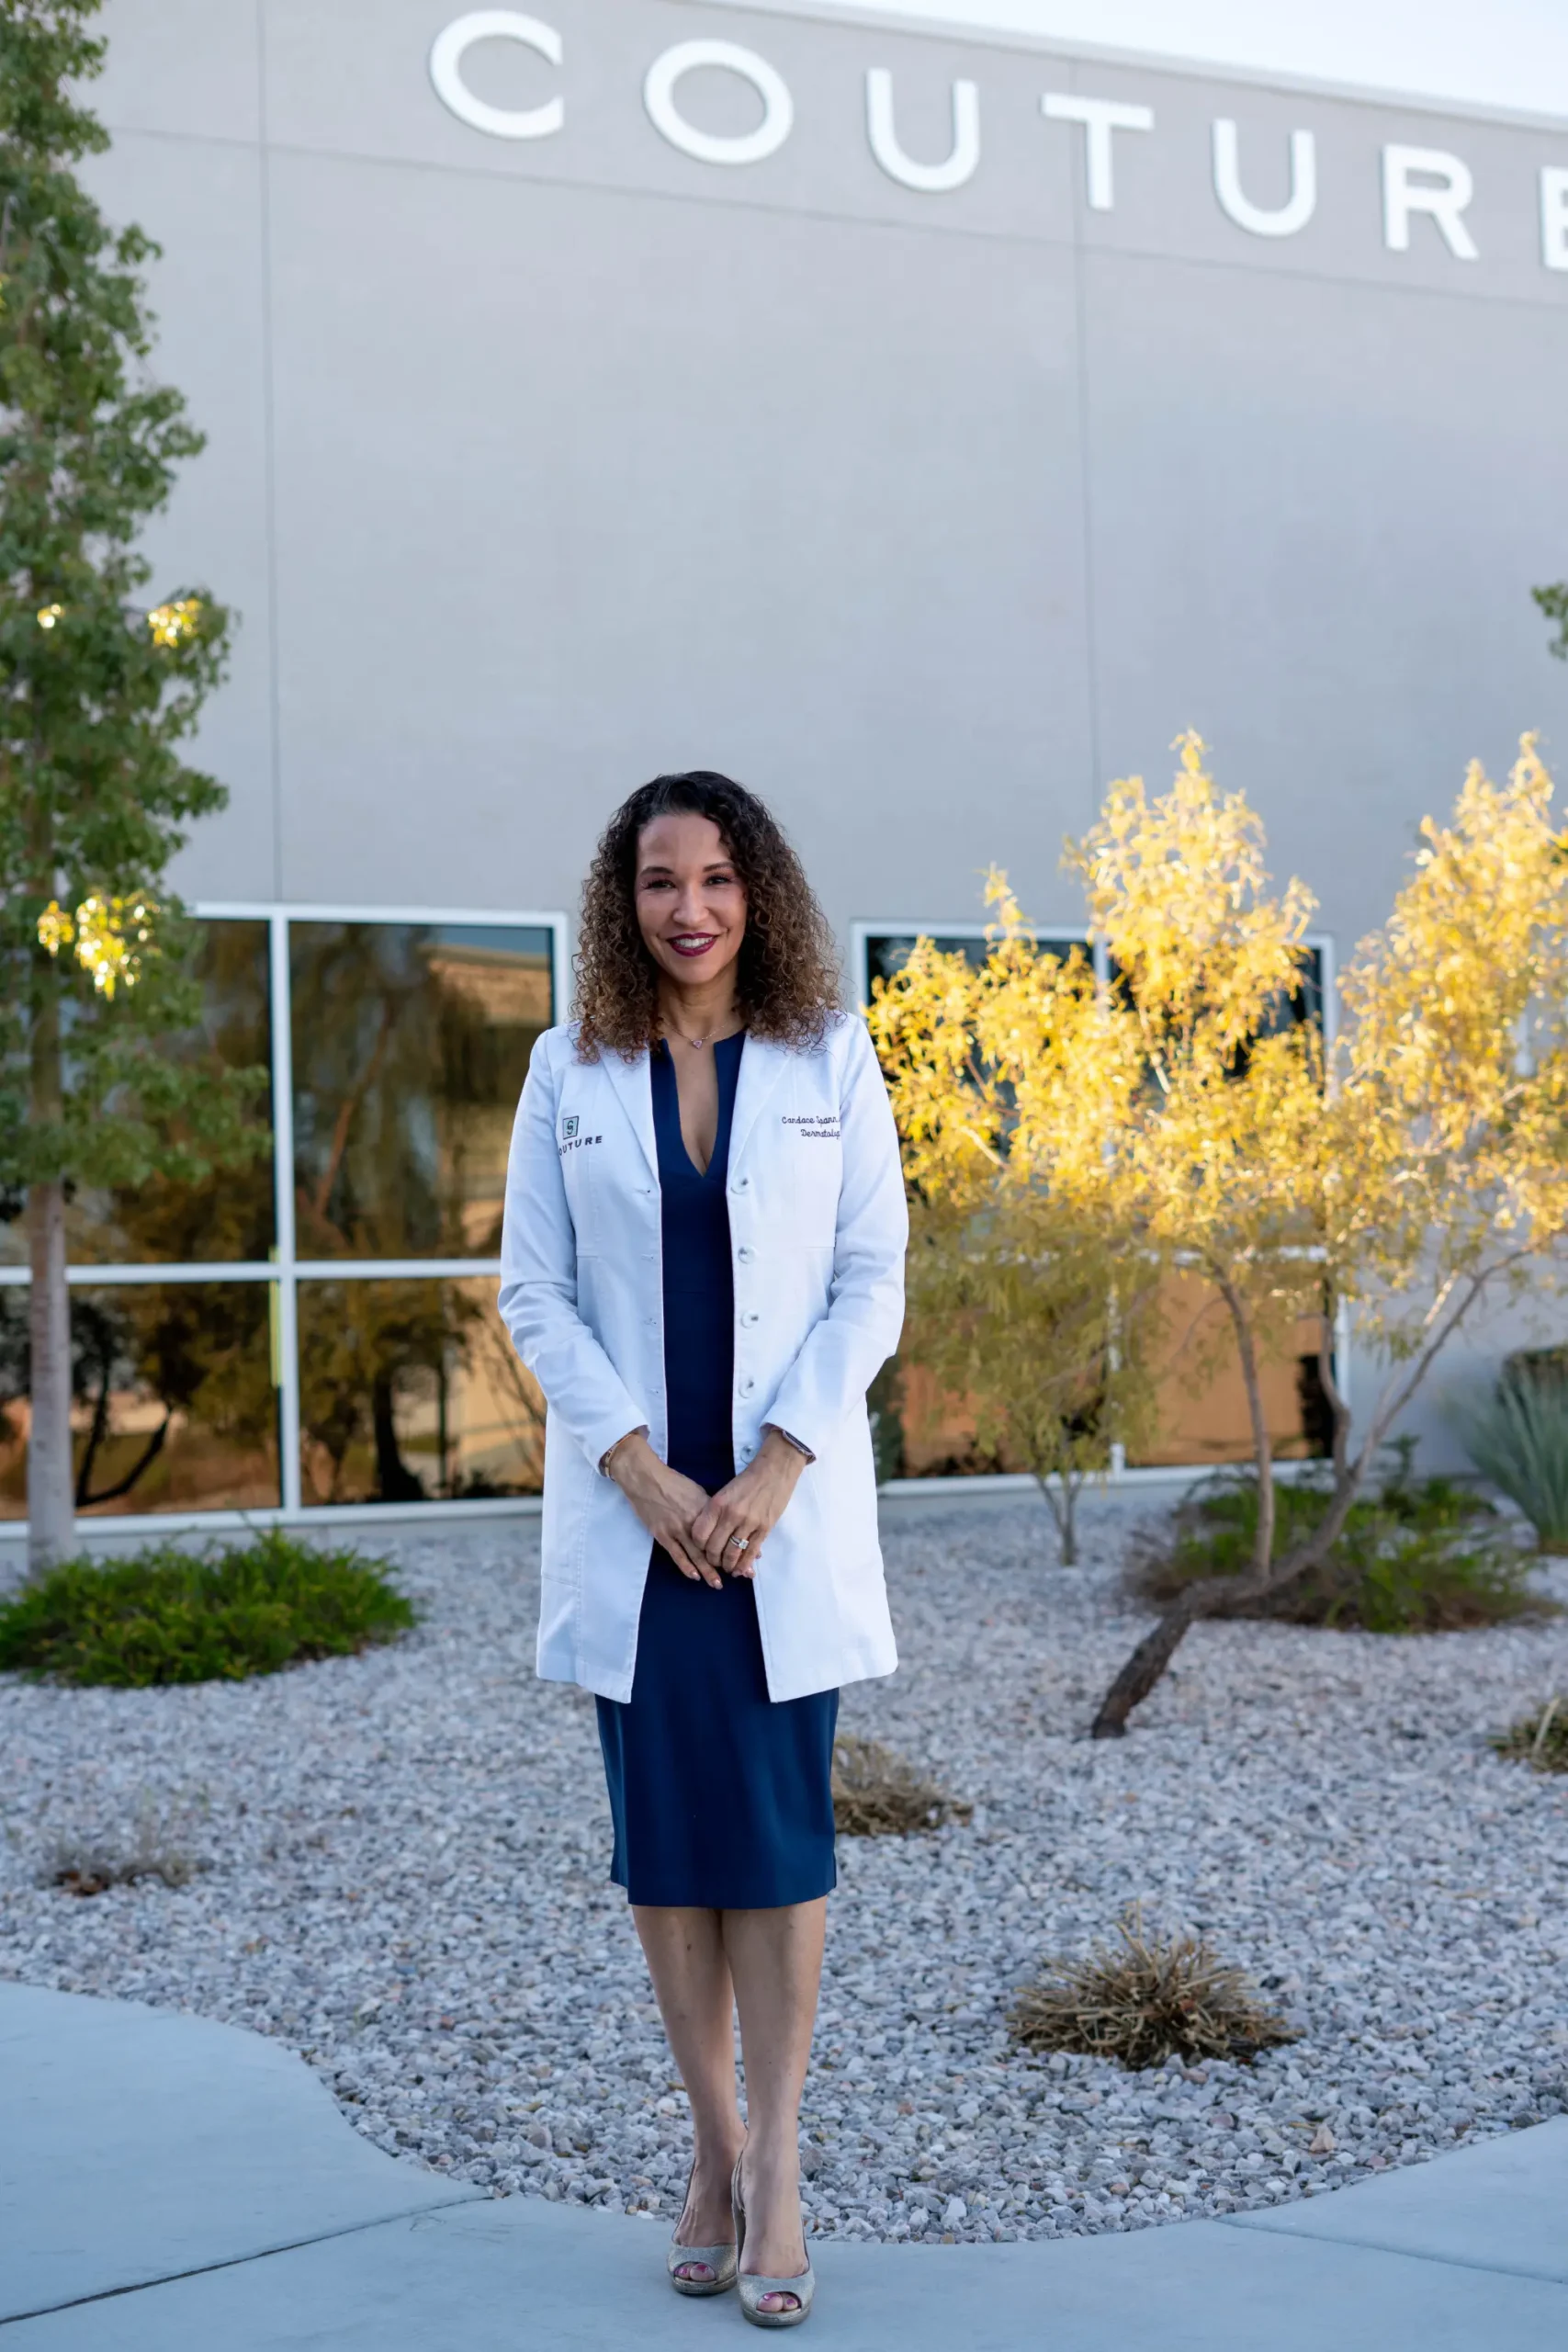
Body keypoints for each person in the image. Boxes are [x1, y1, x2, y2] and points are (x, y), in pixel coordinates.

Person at [499, 770, 906, 2327]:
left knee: (778, 1845)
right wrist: (641, 1474)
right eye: (661, 880)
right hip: (643, 1527)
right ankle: (713, 2151)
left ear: (759, 894)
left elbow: (870, 1275)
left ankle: (782, 2160)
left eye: (718, 879)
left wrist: (779, 1463)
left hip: (771, 1524)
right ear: (624, 899)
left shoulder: (828, 1054)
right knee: (667, 1848)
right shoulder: (567, 1066)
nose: (691, 909)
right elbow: (533, 1292)